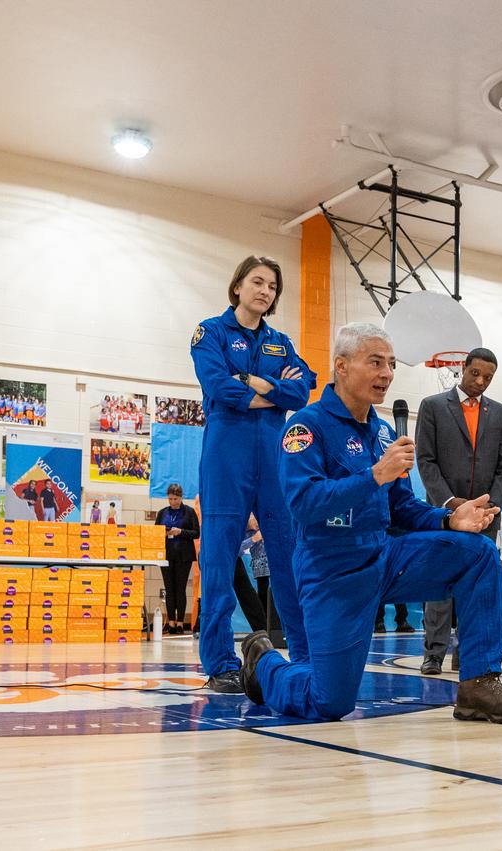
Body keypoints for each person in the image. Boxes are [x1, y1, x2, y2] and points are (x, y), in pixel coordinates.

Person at [238, 323, 502, 724]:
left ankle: (479, 685)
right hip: (332, 571)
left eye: (392, 364)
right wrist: (374, 476)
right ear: (341, 366)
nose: (387, 373)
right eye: (376, 362)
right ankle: (264, 665)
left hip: (384, 557)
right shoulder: (306, 427)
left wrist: (449, 519)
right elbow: (304, 504)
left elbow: (402, 508)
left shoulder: (381, 433)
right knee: (330, 702)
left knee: (479, 553)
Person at [190, 256, 316, 693]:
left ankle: (304, 653)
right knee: (219, 559)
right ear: (238, 286)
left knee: (288, 555)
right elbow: (217, 385)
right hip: (227, 455)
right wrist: (274, 391)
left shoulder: (281, 342)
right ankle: (220, 662)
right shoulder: (211, 332)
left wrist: (254, 382)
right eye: (257, 282)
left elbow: (302, 391)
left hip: (275, 457)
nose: (265, 291)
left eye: (272, 286)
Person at [415, 347, 502, 676]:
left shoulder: (501, 414)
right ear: (463, 368)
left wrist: (492, 505)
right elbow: (426, 460)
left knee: (478, 587)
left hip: (485, 515)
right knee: (439, 583)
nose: (480, 381)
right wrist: (449, 502)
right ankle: (434, 653)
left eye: (488, 377)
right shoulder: (432, 406)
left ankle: (467, 652)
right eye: (475, 373)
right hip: (445, 513)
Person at [156, 483, 199, 635]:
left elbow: (196, 533)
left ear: (181, 498)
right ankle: (171, 623)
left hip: (184, 556)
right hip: (166, 556)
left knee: (180, 589)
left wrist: (180, 531)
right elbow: (155, 532)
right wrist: (164, 533)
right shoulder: (162, 513)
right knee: (169, 589)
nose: (172, 502)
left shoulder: (189, 512)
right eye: (170, 499)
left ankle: (180, 622)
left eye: (175, 499)